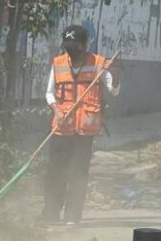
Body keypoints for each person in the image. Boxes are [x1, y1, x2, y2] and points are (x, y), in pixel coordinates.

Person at [42, 25, 120, 225]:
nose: (72, 49)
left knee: (78, 174)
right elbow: (49, 93)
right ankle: (50, 215)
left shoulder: (99, 64)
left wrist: (115, 75)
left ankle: (72, 218)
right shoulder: (58, 63)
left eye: (76, 45)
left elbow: (114, 91)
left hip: (85, 131)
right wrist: (57, 111)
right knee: (55, 173)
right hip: (61, 129)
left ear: (85, 45)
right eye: (68, 45)